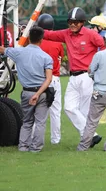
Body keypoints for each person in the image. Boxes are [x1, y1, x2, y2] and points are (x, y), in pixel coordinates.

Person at [43, 7, 106, 147]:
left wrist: (99, 67)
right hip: (73, 77)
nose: (72, 24)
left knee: (84, 110)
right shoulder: (66, 34)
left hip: (87, 77)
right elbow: (49, 35)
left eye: (76, 22)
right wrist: (32, 30)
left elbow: (104, 48)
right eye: (70, 22)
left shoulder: (91, 34)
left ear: (82, 22)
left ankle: (88, 137)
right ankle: (91, 135)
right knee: (69, 108)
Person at [0, 26, 53, 152]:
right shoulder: (46, 57)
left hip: (27, 92)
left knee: (27, 121)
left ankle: (23, 146)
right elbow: (49, 79)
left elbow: (2, 50)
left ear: (29, 38)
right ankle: (36, 148)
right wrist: (38, 94)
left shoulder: (18, 52)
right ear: (41, 40)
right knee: (40, 122)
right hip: (42, 93)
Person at [77, 31, 106, 152]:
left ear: (105, 40)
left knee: (92, 121)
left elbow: (91, 71)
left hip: (101, 92)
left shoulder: (100, 55)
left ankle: (83, 146)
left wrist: (95, 76)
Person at [36, 13, 65, 145]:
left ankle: (33, 137)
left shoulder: (37, 42)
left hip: (39, 79)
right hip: (54, 78)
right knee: (55, 111)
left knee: (36, 110)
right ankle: (55, 139)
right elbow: (61, 57)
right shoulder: (58, 42)